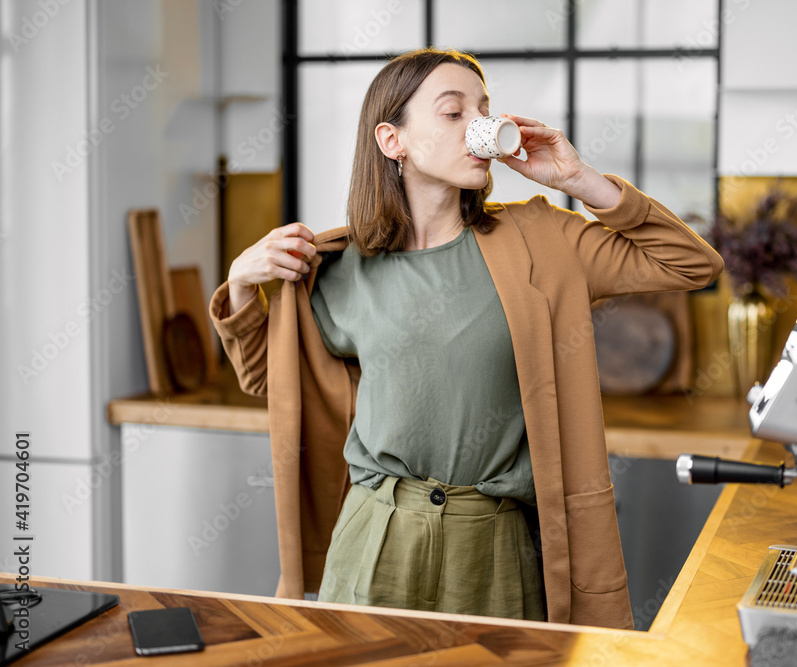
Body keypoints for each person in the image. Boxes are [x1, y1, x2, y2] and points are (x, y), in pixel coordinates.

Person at [210, 47, 723, 630]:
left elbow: (691, 264)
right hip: (376, 537)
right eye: (453, 113)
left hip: (497, 544)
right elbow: (270, 384)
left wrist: (577, 179)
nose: (480, 127)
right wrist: (242, 284)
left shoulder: (541, 238)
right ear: (391, 141)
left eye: (484, 109)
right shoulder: (340, 267)